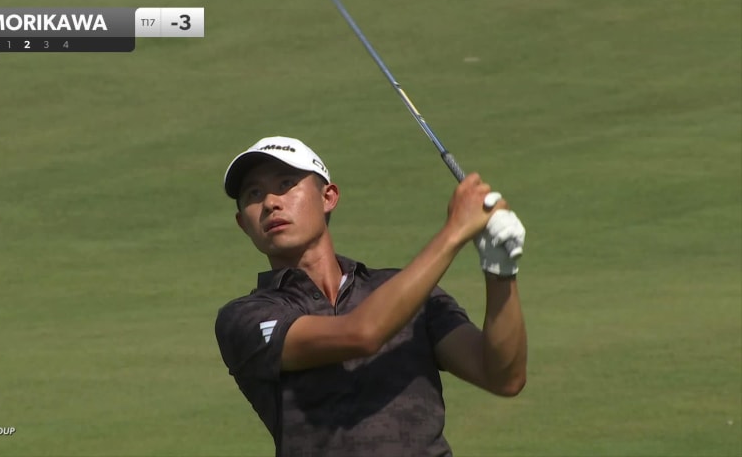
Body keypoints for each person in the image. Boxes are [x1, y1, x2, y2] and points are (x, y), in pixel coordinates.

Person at [215, 136, 528, 457]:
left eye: (286, 184)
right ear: (243, 223)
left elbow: (503, 376)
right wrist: (454, 231)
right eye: (254, 194)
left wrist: (499, 270)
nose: (270, 202)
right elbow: (362, 334)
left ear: (328, 197)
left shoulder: (402, 291)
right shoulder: (245, 319)